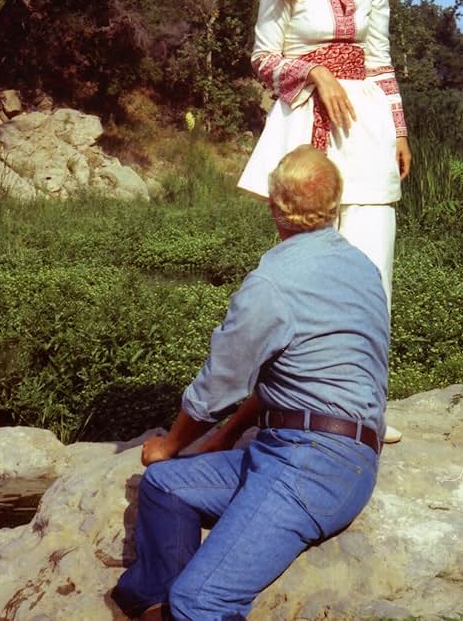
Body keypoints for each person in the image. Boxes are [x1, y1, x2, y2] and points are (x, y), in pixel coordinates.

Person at [112, 145, 389, 621]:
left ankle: (185, 603)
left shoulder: (272, 283)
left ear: (273, 205)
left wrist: (171, 442)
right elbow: (281, 379)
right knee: (164, 486)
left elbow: (220, 384)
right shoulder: (362, 267)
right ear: (336, 204)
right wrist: (222, 438)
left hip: (311, 467)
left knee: (202, 601)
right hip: (309, 454)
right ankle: (158, 601)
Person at [237, 0, 411, 308]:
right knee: (307, 258)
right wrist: (314, 71)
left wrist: (400, 133)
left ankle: (368, 365)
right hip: (302, 125)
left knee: (372, 250)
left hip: (364, 126)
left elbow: (380, 61)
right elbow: (262, 59)